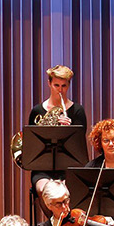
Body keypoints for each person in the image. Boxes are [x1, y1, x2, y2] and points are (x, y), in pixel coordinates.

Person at [22, 65, 91, 210]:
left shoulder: (77, 111)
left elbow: (79, 146)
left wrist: (69, 130)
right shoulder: (37, 111)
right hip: (42, 167)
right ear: (49, 84)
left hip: (69, 166)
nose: (60, 90)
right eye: (56, 85)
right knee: (44, 190)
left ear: (68, 85)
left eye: (64, 86)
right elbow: (31, 143)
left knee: (64, 191)